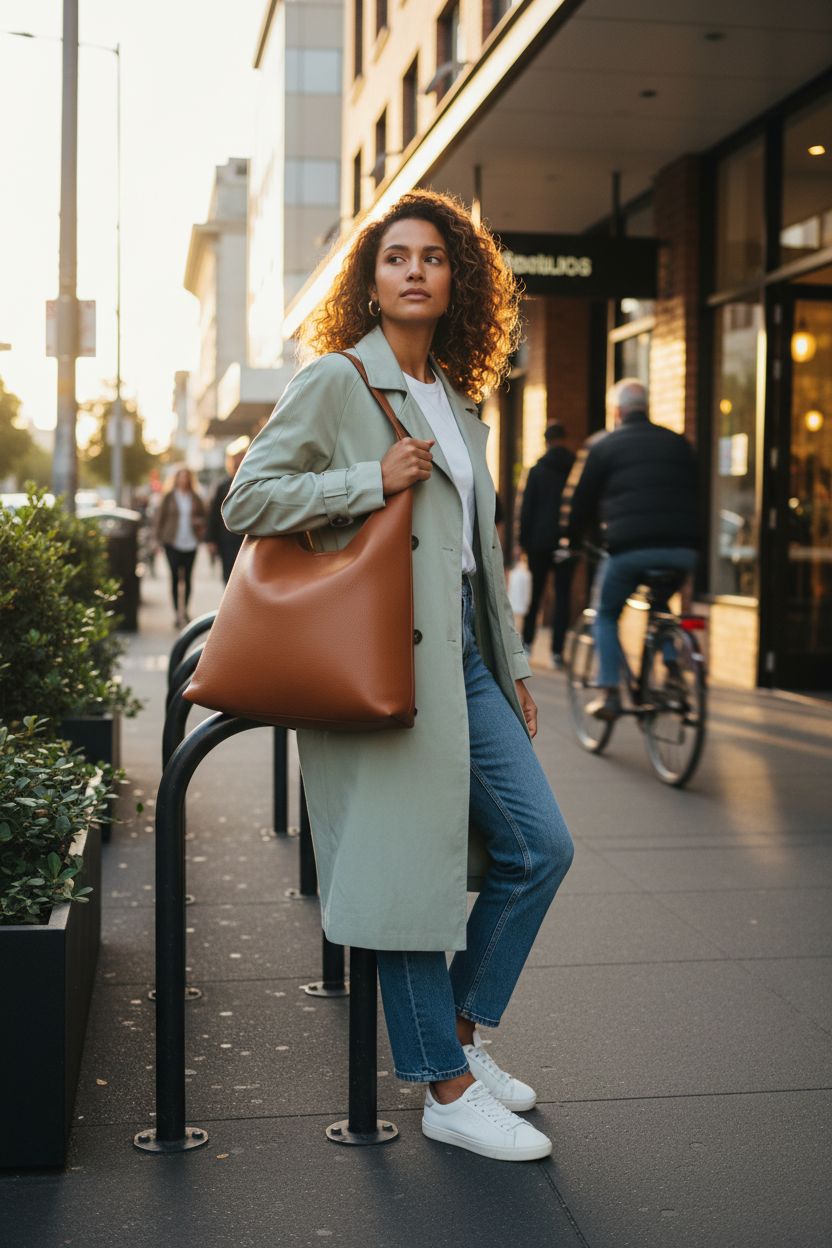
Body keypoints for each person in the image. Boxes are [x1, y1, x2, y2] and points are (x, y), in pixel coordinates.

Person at [223, 190, 574, 1163]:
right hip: (376, 661)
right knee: (404, 877)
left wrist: (509, 670)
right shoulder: (337, 382)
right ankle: (446, 1092)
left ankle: (459, 1033)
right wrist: (363, 481)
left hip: (461, 658)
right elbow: (246, 497)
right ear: (370, 284)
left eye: (432, 257)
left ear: (457, 279)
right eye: (393, 258)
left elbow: (474, 548)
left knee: (540, 847)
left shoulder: (461, 402)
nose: (413, 269)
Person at [559, 377, 700, 720]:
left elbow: (579, 503)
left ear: (617, 412)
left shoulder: (605, 447)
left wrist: (571, 542)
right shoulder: (678, 443)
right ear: (646, 409)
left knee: (605, 613)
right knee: (660, 603)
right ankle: (672, 668)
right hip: (683, 549)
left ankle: (608, 692)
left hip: (630, 548)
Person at [519, 422, 575, 666]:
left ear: (546, 441)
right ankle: (557, 651)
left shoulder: (537, 470)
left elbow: (527, 509)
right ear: (564, 439)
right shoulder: (575, 468)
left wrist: (522, 542)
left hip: (539, 542)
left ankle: (528, 643)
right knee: (563, 596)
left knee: (537, 594)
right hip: (567, 541)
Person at [154, 467, 206, 628]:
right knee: (175, 577)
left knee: (188, 578)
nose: (183, 480)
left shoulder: (195, 497)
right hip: (172, 542)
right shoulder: (169, 497)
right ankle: (177, 612)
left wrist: (198, 522)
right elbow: (159, 519)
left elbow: (205, 516)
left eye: (186, 477)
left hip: (191, 542)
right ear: (176, 479)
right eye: (181, 477)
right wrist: (157, 540)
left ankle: (186, 610)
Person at [206, 437, 249, 582]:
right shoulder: (222, 486)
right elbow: (214, 515)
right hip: (227, 539)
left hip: (248, 537)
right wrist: (211, 540)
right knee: (229, 576)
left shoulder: (253, 483)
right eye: (236, 461)